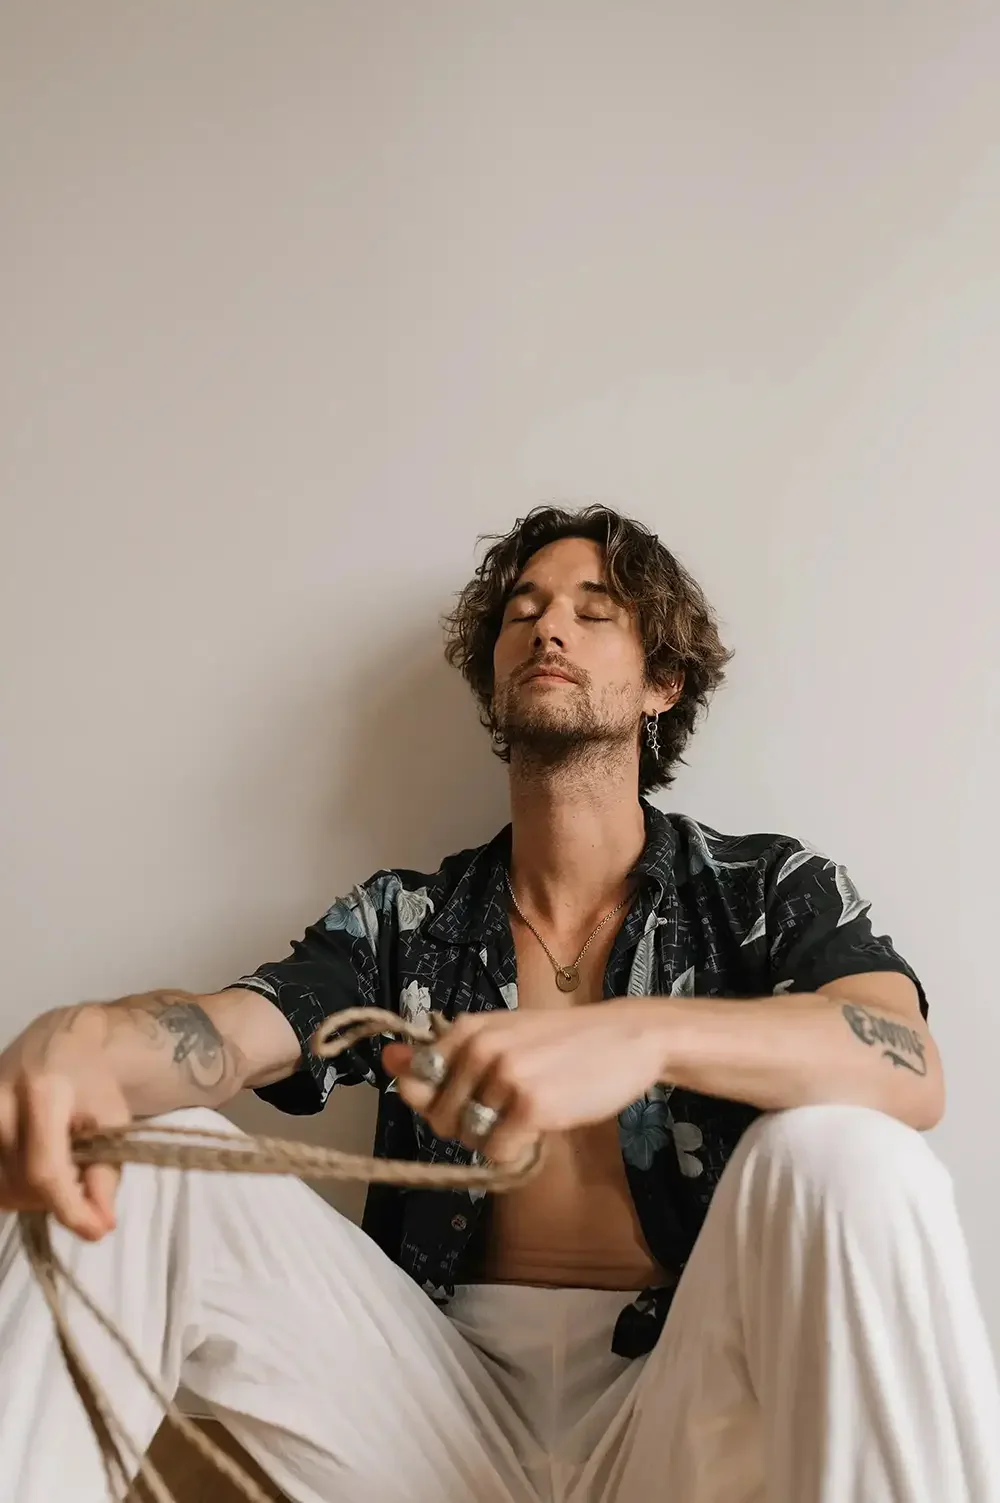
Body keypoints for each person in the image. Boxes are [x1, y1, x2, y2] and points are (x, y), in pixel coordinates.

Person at [0, 505, 996, 1503]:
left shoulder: (762, 891)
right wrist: (79, 1042)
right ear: (494, 677)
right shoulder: (404, 920)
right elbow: (228, 1033)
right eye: (522, 611)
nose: (546, 627)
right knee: (128, 1145)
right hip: (431, 1415)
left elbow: (903, 1060)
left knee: (846, 1153)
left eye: (592, 611)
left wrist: (640, 1037)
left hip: (680, 1414)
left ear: (663, 681)